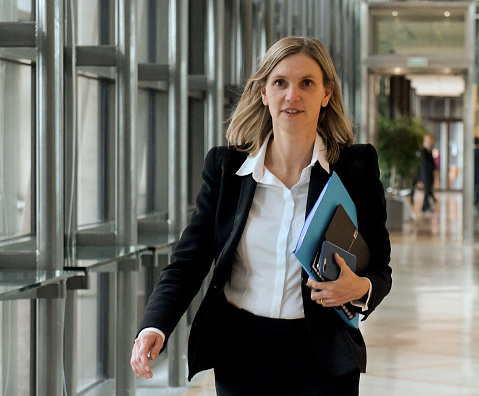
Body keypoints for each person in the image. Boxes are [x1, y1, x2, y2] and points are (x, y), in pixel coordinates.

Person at [129, 36, 392, 395]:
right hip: (241, 351)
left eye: (307, 83)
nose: (292, 95)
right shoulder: (227, 170)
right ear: (264, 92)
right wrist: (153, 326)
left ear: (326, 94)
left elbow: (380, 269)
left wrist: (360, 288)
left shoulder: (355, 169)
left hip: (324, 356)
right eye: (280, 82)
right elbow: (188, 261)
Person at [415, 133, 436, 213]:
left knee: (428, 189)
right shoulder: (423, 151)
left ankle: (426, 205)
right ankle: (426, 206)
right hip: (425, 173)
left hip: (429, 173)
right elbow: (424, 163)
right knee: (427, 189)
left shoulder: (429, 150)